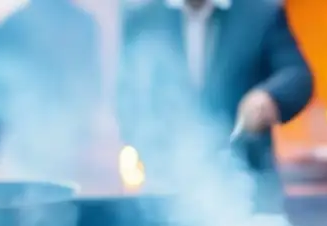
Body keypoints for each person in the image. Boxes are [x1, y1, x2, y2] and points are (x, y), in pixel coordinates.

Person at [116, 0, 313, 214]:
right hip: (167, 190)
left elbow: (297, 75)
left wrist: (269, 97)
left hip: (249, 186)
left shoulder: (261, 12)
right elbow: (127, 97)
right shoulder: (143, 18)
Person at [0, 0, 102, 182]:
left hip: (63, 141)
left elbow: (89, 82)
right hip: (28, 142)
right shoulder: (14, 25)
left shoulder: (82, 24)